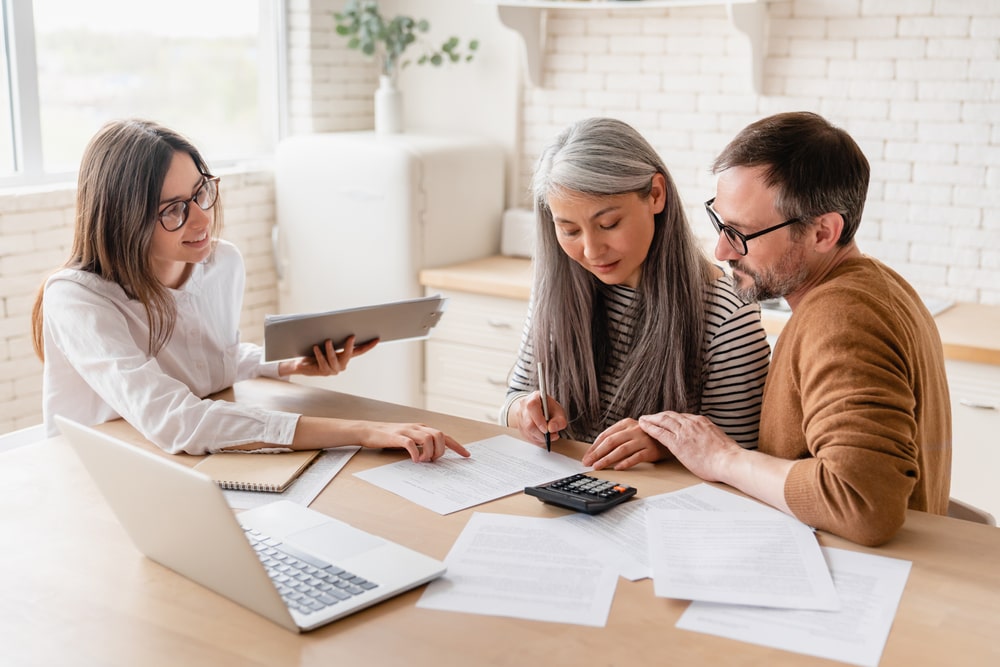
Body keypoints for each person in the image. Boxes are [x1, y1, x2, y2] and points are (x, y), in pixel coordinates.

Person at [31, 118, 469, 462]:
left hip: (179, 463)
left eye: (201, 192)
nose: (202, 219)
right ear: (121, 218)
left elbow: (206, 365)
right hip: (94, 471)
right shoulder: (78, 298)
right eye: (174, 211)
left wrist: (287, 365)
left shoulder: (221, 264)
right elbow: (176, 420)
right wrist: (362, 431)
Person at [639, 111, 951, 546]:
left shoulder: (840, 317)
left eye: (741, 232)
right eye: (720, 222)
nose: (722, 249)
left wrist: (723, 458)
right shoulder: (880, 285)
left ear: (823, 232)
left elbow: (863, 503)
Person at [501, 117, 770, 470]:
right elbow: (512, 399)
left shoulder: (726, 313)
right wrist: (525, 412)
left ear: (656, 195)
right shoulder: (556, 290)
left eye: (608, 224)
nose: (592, 251)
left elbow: (741, 456)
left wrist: (667, 444)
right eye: (569, 230)